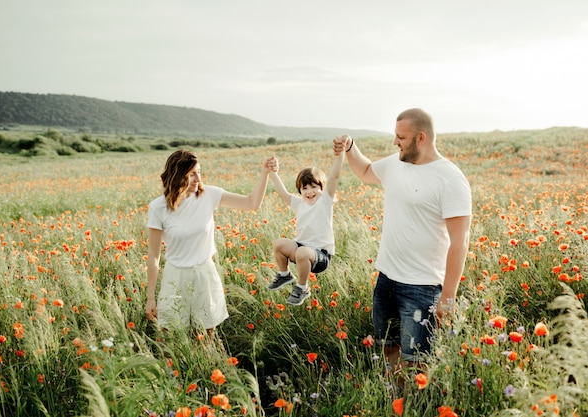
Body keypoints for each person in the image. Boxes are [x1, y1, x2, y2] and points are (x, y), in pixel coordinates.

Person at [333, 108, 472, 380]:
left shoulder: (451, 179)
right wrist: (350, 147)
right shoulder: (396, 163)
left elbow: (460, 242)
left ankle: (411, 406)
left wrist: (448, 298)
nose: (395, 142)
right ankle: (394, 401)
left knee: (416, 366)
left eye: (401, 137)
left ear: (421, 138)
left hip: (422, 289)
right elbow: (365, 171)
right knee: (389, 352)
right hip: (386, 281)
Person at [146, 149, 278, 339]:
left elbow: (252, 203)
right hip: (175, 278)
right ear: (177, 174)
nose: (198, 178)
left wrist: (265, 173)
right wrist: (151, 298)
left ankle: (208, 368)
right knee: (172, 339)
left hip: (204, 275)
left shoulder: (209, 195)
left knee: (207, 337)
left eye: (199, 172)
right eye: (192, 174)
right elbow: (154, 256)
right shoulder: (158, 207)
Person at [267, 139, 346, 305]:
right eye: (304, 188)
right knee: (279, 244)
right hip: (301, 248)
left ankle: (302, 288)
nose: (309, 192)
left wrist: (340, 155)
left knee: (302, 252)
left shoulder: (325, 201)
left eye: (313, 187)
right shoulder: (299, 203)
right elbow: (282, 193)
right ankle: (284, 275)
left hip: (321, 256)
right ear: (300, 191)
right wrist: (272, 172)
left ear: (322, 189)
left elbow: (335, 176)